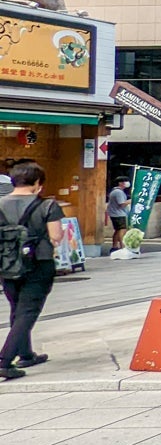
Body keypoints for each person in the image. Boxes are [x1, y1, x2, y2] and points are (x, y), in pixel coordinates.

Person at [0, 161, 65, 379]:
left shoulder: (0, 204)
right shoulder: (47, 206)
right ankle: (4, 360)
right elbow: (56, 237)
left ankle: (26, 354)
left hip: (7, 265)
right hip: (39, 263)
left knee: (17, 308)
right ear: (38, 182)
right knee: (28, 311)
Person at [106, 177, 131, 252]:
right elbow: (121, 204)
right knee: (122, 229)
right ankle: (122, 246)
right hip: (118, 214)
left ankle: (114, 246)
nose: (126, 183)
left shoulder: (116, 191)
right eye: (124, 181)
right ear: (120, 183)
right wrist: (130, 201)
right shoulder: (118, 192)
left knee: (117, 230)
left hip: (115, 213)